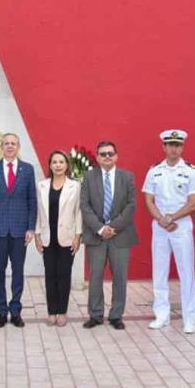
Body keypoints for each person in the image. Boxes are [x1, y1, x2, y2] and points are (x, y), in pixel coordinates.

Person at [143, 129, 195, 333]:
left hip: (181, 226)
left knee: (186, 272)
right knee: (159, 272)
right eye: (170, 145)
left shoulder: (191, 171)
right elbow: (148, 199)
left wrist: (172, 218)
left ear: (182, 147)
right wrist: (161, 219)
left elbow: (193, 203)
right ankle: (161, 315)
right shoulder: (154, 171)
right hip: (160, 227)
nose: (174, 148)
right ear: (164, 147)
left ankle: (189, 318)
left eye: (177, 145)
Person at [80, 140, 137, 330]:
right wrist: (100, 229)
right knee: (95, 276)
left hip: (120, 236)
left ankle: (116, 315)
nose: (106, 157)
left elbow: (131, 205)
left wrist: (112, 227)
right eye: (103, 154)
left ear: (116, 156)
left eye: (110, 153)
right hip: (96, 236)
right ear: (97, 157)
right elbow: (84, 205)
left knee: (119, 276)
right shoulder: (88, 177)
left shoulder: (127, 177)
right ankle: (95, 315)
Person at [0, 132, 37, 328]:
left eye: (13, 143)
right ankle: (1, 311)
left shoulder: (28, 170)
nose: (10, 146)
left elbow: (32, 200)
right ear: (1, 147)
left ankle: (15, 311)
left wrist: (31, 227)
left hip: (20, 230)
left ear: (18, 146)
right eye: (6, 143)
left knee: (18, 272)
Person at [34, 150, 82, 326]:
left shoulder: (75, 186)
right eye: (54, 162)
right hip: (48, 237)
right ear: (50, 165)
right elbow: (39, 212)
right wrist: (37, 235)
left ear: (67, 165)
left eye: (61, 162)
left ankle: (62, 311)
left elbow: (78, 212)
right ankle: (51, 311)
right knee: (50, 275)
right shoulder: (42, 185)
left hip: (67, 237)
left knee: (64, 275)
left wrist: (78, 236)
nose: (58, 165)